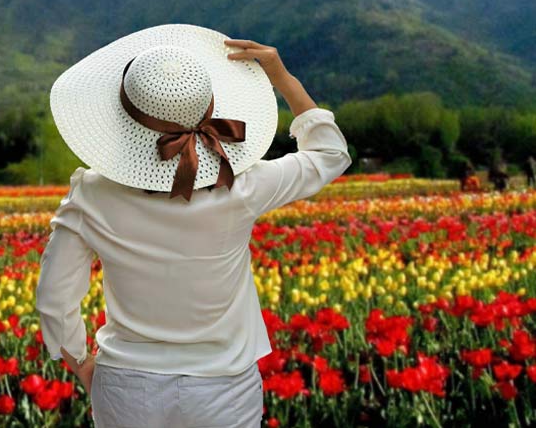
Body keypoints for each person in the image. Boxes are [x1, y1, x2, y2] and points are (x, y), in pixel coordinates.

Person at [35, 24, 352, 428]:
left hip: (128, 385)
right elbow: (329, 154)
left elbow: (53, 298)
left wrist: (80, 362)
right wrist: (281, 77)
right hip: (225, 387)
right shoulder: (243, 185)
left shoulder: (92, 195)